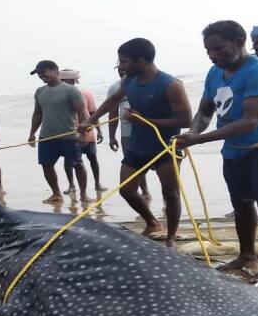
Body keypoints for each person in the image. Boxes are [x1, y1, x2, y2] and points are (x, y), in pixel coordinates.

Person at [175, 20, 258, 283]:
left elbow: (250, 121)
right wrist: (193, 131)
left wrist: (200, 140)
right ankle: (247, 255)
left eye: (219, 49)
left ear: (240, 43)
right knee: (240, 203)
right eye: (208, 51)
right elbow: (205, 111)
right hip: (234, 148)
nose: (214, 55)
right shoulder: (215, 73)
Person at [80, 38, 192, 248]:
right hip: (138, 145)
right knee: (127, 190)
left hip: (165, 147)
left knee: (171, 193)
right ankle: (152, 222)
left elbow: (186, 120)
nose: (121, 67)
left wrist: (145, 120)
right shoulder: (129, 80)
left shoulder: (171, 85)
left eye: (124, 62)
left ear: (140, 60)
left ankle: (171, 237)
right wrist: (91, 120)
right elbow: (113, 100)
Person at [28, 60, 90, 203]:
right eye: (38, 74)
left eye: (44, 72)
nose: (41, 76)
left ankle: (83, 194)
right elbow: (37, 114)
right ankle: (56, 193)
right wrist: (32, 133)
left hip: (68, 135)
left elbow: (83, 113)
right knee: (46, 165)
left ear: (56, 71)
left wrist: (84, 134)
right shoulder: (40, 91)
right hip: (46, 136)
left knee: (77, 164)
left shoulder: (71, 90)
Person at [59, 69, 105, 193]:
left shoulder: (86, 94)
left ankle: (97, 183)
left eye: (72, 82)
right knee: (69, 160)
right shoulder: (59, 96)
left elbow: (93, 113)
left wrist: (99, 131)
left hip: (87, 131)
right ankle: (71, 185)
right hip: (69, 133)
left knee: (92, 157)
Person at [107, 66, 149, 198]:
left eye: (125, 67)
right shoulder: (114, 88)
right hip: (127, 133)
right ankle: (144, 191)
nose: (122, 71)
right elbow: (112, 113)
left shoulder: (147, 83)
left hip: (149, 131)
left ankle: (166, 197)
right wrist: (112, 136)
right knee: (133, 164)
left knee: (156, 165)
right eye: (119, 68)